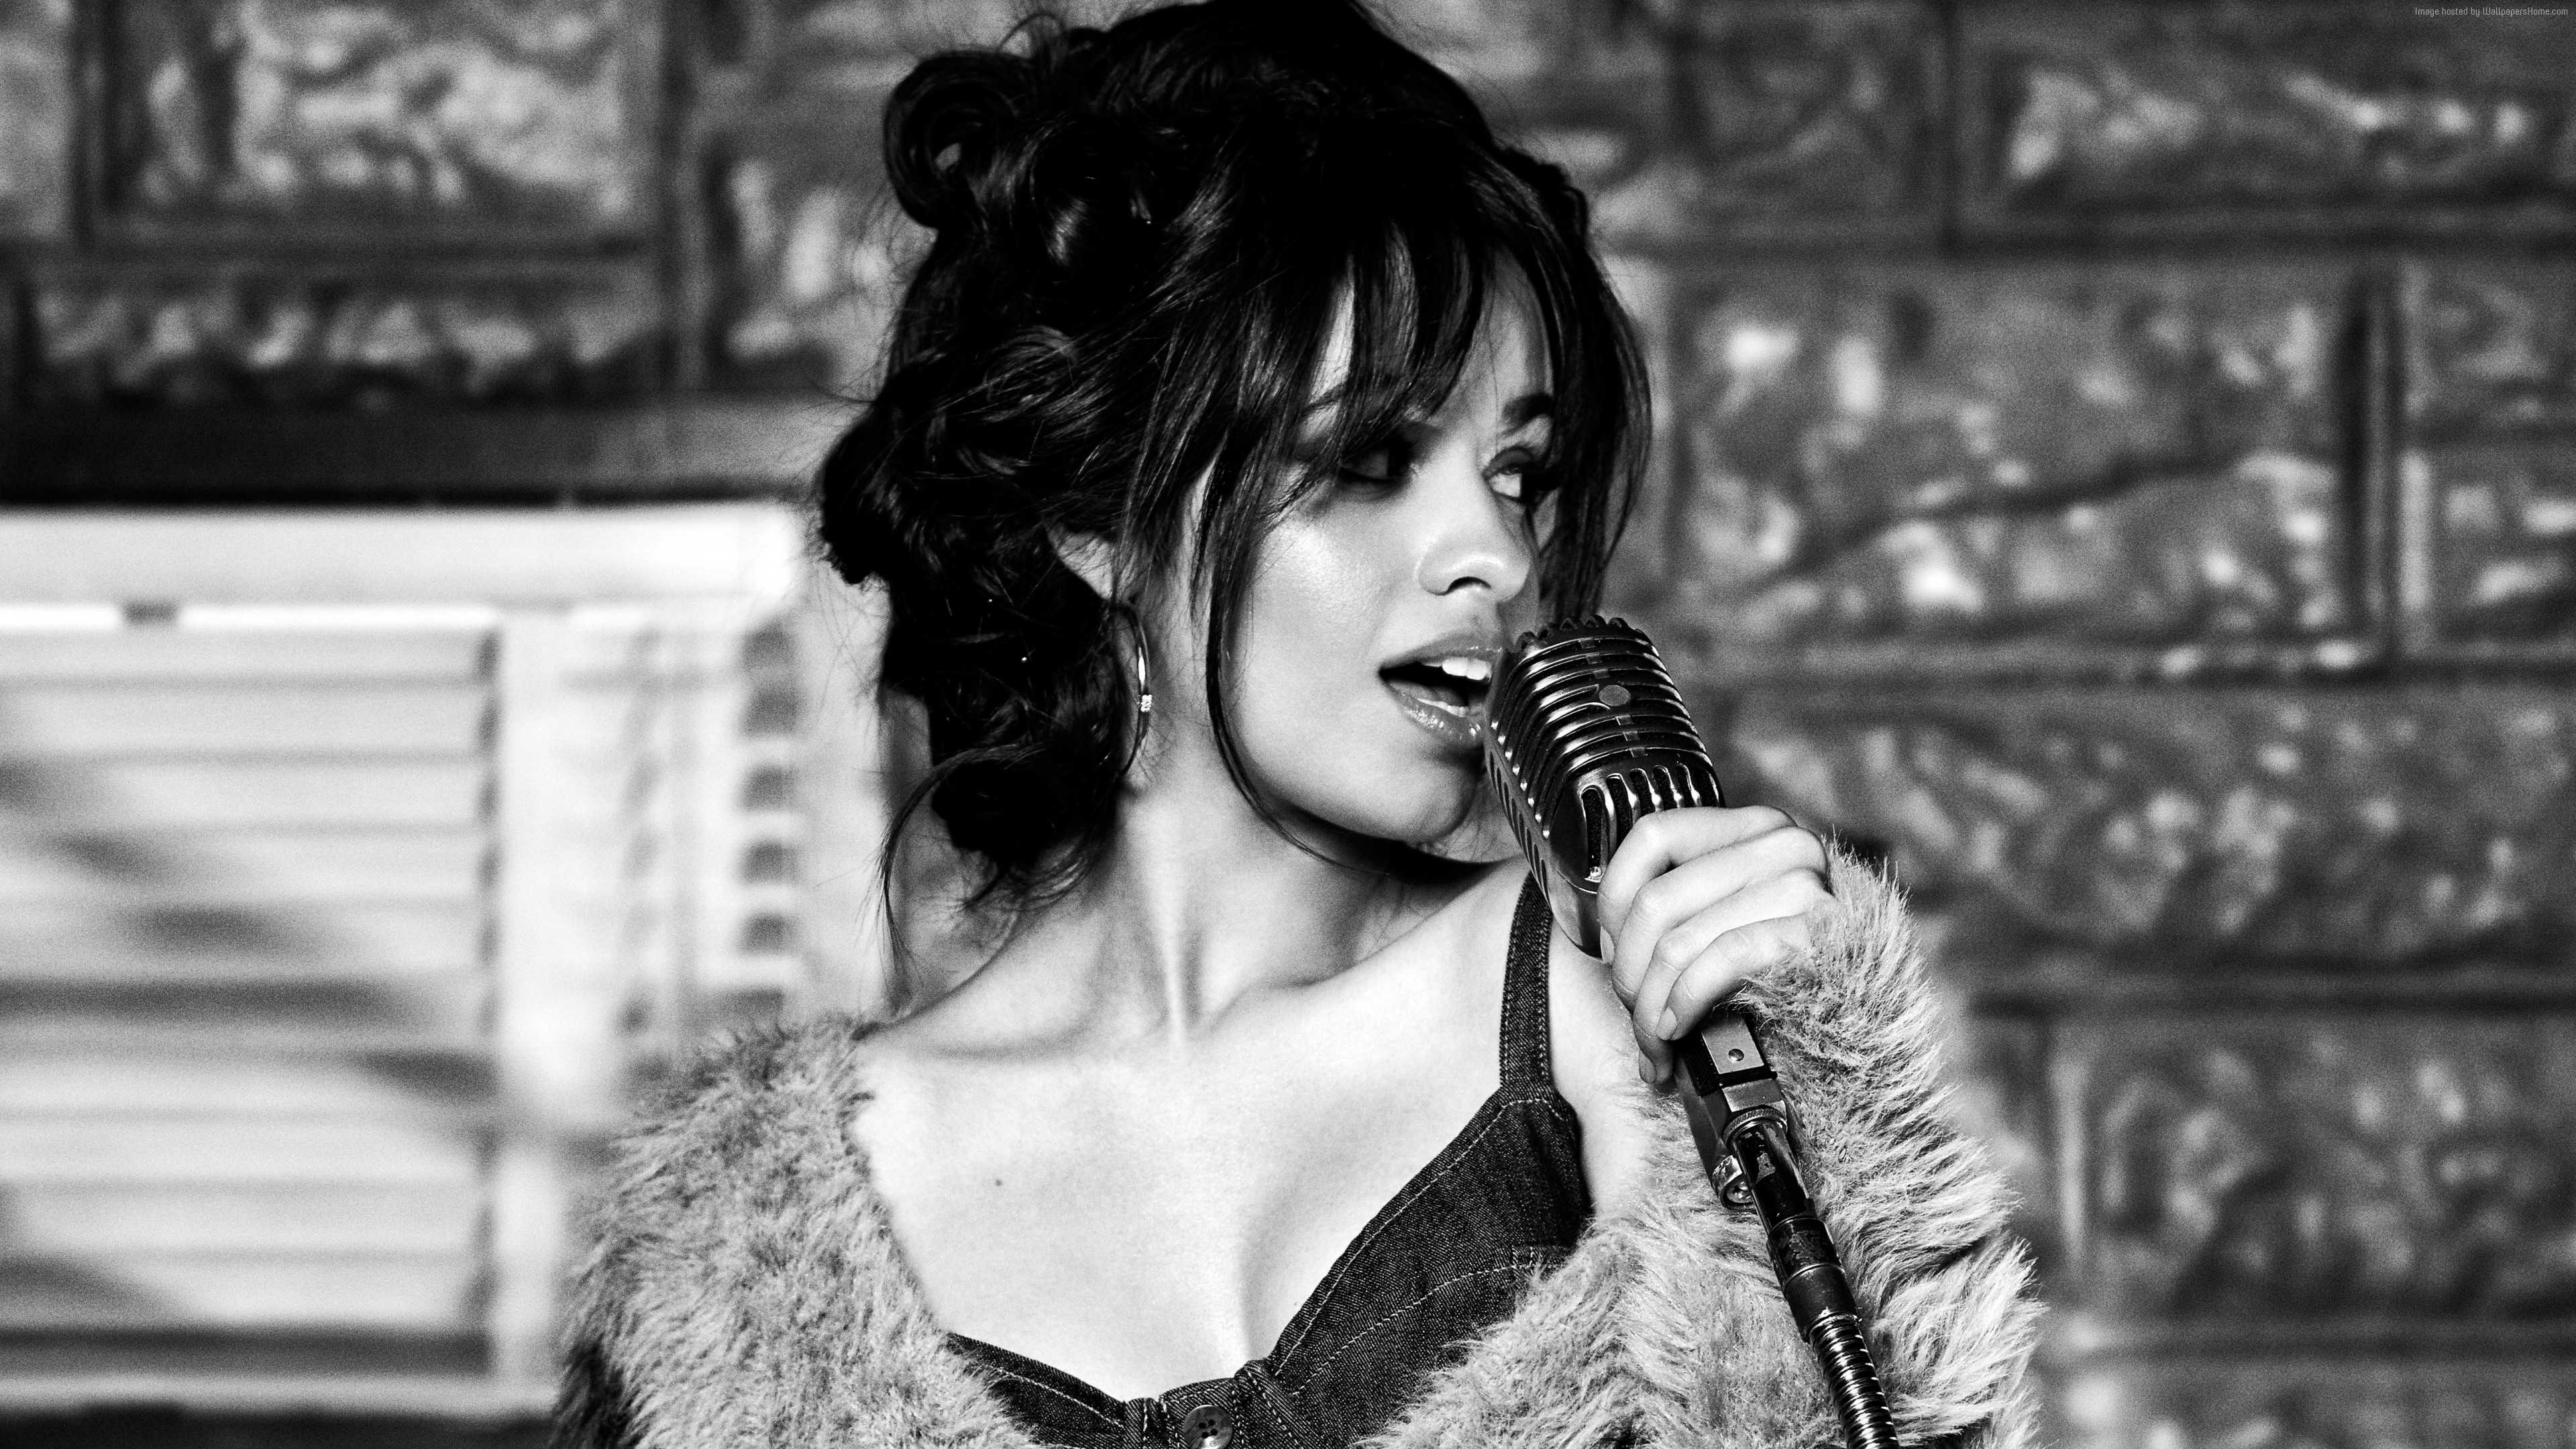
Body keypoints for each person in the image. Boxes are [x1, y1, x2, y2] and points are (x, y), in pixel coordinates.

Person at [553, 3, 2039, 1446]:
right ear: (1101, 523)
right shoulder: (748, 1245)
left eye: (1519, 474)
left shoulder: (1610, 1002)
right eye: (1373, 459)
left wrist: (1815, 1098)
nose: (1497, 554)